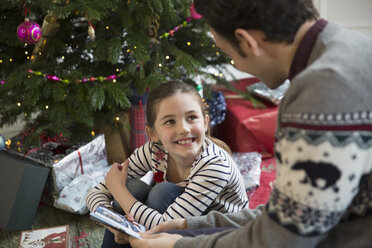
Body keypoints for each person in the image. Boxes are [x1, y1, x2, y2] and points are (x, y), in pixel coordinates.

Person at [126, 0, 372, 247]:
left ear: (246, 41)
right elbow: (294, 211)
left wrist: (177, 245)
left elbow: (284, 238)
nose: (237, 64)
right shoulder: (346, 44)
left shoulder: (320, 93)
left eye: (229, 54)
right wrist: (190, 225)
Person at [85, 80, 249, 247]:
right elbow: (94, 194)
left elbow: (165, 224)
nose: (184, 129)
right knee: (134, 188)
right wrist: (114, 226)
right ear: (153, 133)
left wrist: (118, 190)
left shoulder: (215, 165)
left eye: (191, 117)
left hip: (219, 238)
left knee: (161, 192)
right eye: (170, 121)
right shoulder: (153, 150)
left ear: (205, 123)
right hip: (178, 225)